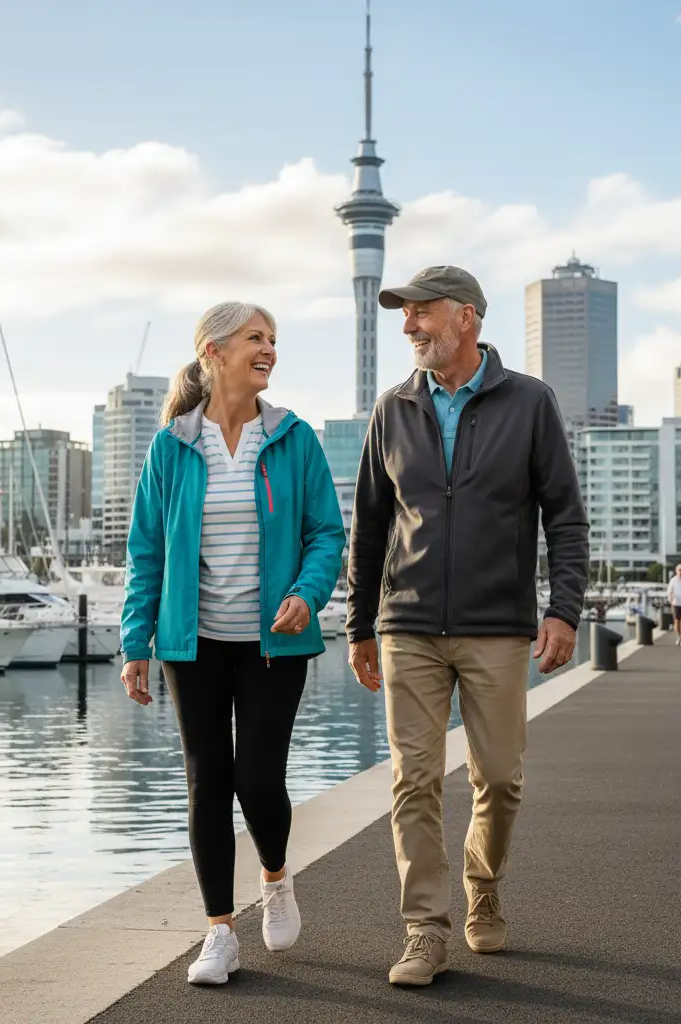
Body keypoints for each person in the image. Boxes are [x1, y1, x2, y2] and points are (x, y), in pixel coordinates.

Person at [345, 266, 589, 987]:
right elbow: (369, 527)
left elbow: (565, 517)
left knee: (500, 780)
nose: (409, 326)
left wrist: (563, 608)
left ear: (467, 319)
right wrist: (360, 624)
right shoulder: (391, 410)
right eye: (405, 315)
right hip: (408, 623)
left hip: (497, 625)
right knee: (413, 779)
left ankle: (482, 884)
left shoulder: (530, 403)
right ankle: (424, 928)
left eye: (422, 314)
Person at [119, 302, 345, 986]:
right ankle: (219, 932)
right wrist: (137, 641)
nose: (269, 348)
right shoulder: (172, 447)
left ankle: (275, 877)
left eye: (274, 339)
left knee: (257, 779)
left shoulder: (294, 438)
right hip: (195, 643)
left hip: (273, 641)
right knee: (206, 783)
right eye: (256, 338)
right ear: (214, 353)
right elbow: (145, 552)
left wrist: (307, 592)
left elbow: (326, 533)